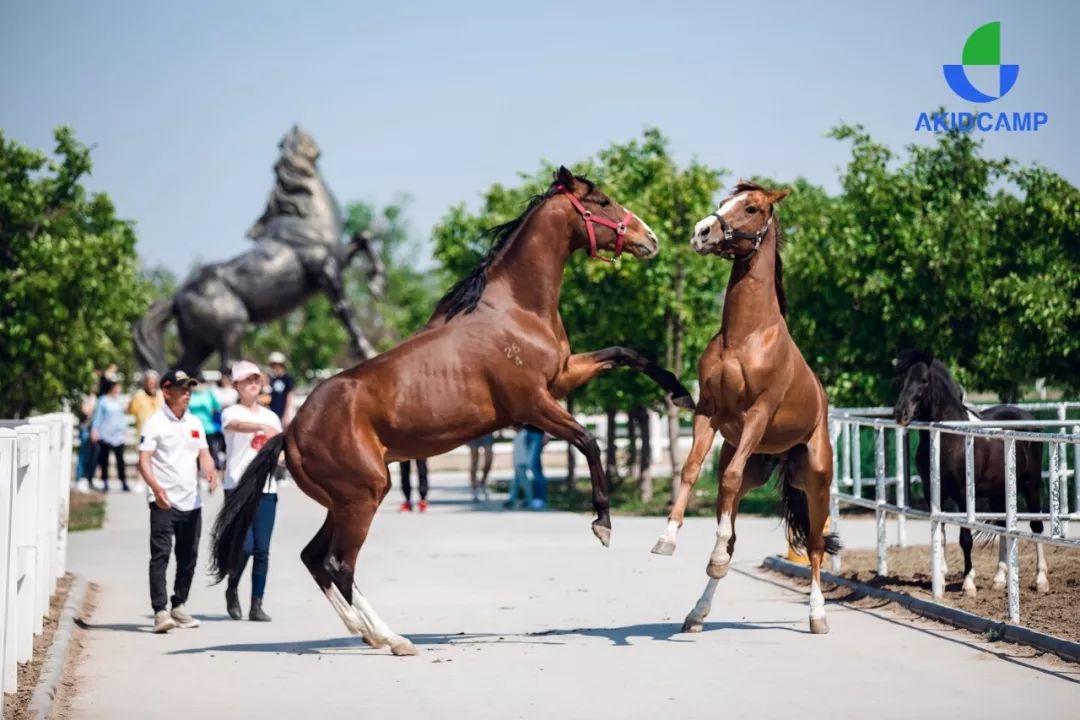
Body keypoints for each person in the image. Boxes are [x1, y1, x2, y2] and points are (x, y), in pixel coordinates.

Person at [137, 369, 218, 633]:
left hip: (191, 501)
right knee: (160, 556)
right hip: (163, 501)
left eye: (189, 389)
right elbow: (144, 461)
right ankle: (160, 611)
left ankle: (179, 605)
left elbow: (203, 454)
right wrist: (156, 488)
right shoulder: (155, 423)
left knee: (188, 556)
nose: (187, 394)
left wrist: (209, 470)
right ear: (166, 391)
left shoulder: (194, 423)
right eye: (182, 389)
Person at [221, 361, 282, 622]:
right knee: (243, 546)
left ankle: (257, 604)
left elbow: (280, 449)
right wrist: (258, 428)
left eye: (256, 379)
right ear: (236, 385)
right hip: (237, 487)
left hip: (266, 488)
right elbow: (235, 425)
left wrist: (281, 457)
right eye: (247, 381)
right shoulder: (231, 412)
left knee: (262, 549)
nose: (253, 384)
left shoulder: (271, 416)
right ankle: (232, 587)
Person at [90, 378, 129, 492]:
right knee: (104, 460)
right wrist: (94, 431)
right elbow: (98, 417)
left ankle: (123, 482)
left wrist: (124, 429)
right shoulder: (103, 401)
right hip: (105, 434)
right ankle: (105, 482)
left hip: (118, 436)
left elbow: (121, 417)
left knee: (120, 460)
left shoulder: (119, 400)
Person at [188, 375, 224, 470]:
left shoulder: (208, 394)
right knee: (195, 454)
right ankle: (198, 476)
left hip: (208, 428)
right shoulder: (189, 396)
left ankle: (213, 474)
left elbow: (217, 408)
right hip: (193, 430)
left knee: (211, 453)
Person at [127, 371, 163, 442]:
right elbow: (132, 411)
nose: (151, 386)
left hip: (159, 434)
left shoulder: (161, 395)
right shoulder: (139, 395)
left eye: (153, 383)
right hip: (144, 434)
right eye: (149, 383)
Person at [74, 385, 98, 491]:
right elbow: (86, 411)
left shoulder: (97, 398)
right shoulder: (86, 398)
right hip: (86, 430)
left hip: (95, 431)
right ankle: (80, 478)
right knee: (83, 455)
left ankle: (89, 479)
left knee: (93, 456)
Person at [505, 427, 534, 509]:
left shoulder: (525, 434)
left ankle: (529, 500)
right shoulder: (518, 435)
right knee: (515, 483)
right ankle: (512, 500)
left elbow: (528, 448)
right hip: (518, 462)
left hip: (522, 462)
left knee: (524, 482)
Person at [267, 351, 295, 426]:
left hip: (284, 411)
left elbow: (289, 395)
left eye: (277, 364)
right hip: (273, 412)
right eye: (273, 365)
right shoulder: (272, 379)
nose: (275, 367)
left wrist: (287, 413)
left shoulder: (287, 378)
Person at [466, 434, 494, 502]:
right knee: (474, 461)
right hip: (473, 430)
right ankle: (474, 488)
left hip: (487, 431)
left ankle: (483, 482)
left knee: (488, 460)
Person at [526, 425, 548, 510]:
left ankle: (540, 498)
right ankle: (536, 498)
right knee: (535, 467)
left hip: (537, 433)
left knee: (534, 466)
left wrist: (547, 433)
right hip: (527, 432)